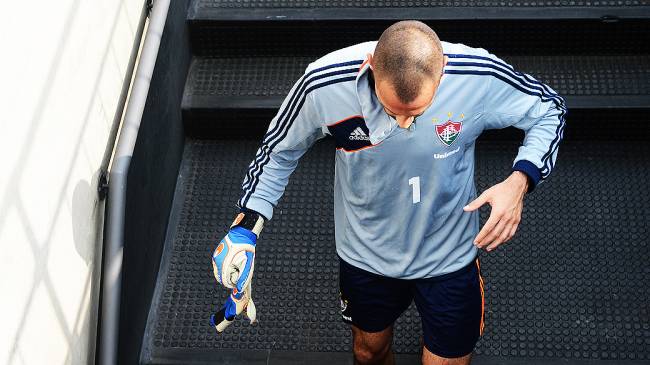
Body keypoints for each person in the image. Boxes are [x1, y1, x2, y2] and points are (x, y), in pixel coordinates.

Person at [210, 20, 566, 365]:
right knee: (368, 353)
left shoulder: (478, 75)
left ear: (442, 73)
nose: (404, 123)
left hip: (449, 255)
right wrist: (247, 227)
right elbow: (278, 150)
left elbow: (550, 109)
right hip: (366, 254)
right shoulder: (324, 83)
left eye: (417, 112)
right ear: (370, 71)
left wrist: (520, 181)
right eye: (392, 111)